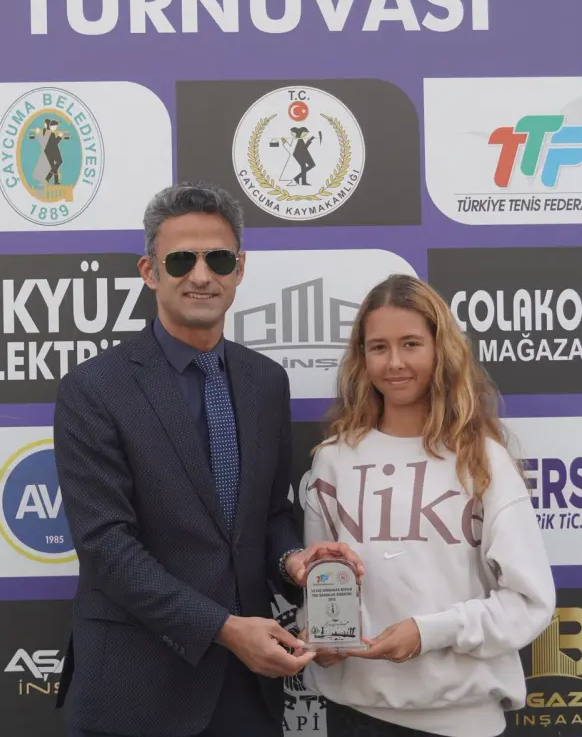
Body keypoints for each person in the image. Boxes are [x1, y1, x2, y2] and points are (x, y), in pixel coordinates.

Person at [53, 181, 364, 737]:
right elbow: (106, 547)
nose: (201, 275)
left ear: (239, 269)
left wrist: (295, 562)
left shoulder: (265, 381)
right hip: (134, 689)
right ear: (150, 271)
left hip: (247, 686)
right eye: (181, 260)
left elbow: (269, 515)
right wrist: (223, 628)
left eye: (218, 259)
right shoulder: (95, 388)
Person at [298, 274, 555, 737]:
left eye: (411, 344)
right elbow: (321, 584)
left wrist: (428, 632)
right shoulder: (333, 460)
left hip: (463, 719)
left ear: (441, 350)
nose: (394, 362)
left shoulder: (482, 460)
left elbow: (528, 602)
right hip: (353, 716)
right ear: (362, 357)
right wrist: (321, 638)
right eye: (378, 347)